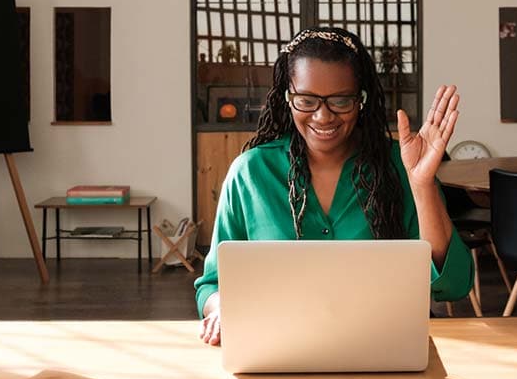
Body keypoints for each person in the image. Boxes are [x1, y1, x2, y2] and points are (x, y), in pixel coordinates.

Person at [195, 27, 474, 346]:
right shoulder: (250, 173)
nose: (323, 116)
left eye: (341, 100)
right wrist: (221, 309)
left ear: (361, 100)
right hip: (277, 348)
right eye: (306, 100)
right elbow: (212, 284)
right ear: (288, 98)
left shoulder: (402, 167)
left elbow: (453, 284)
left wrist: (422, 184)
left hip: (384, 347)